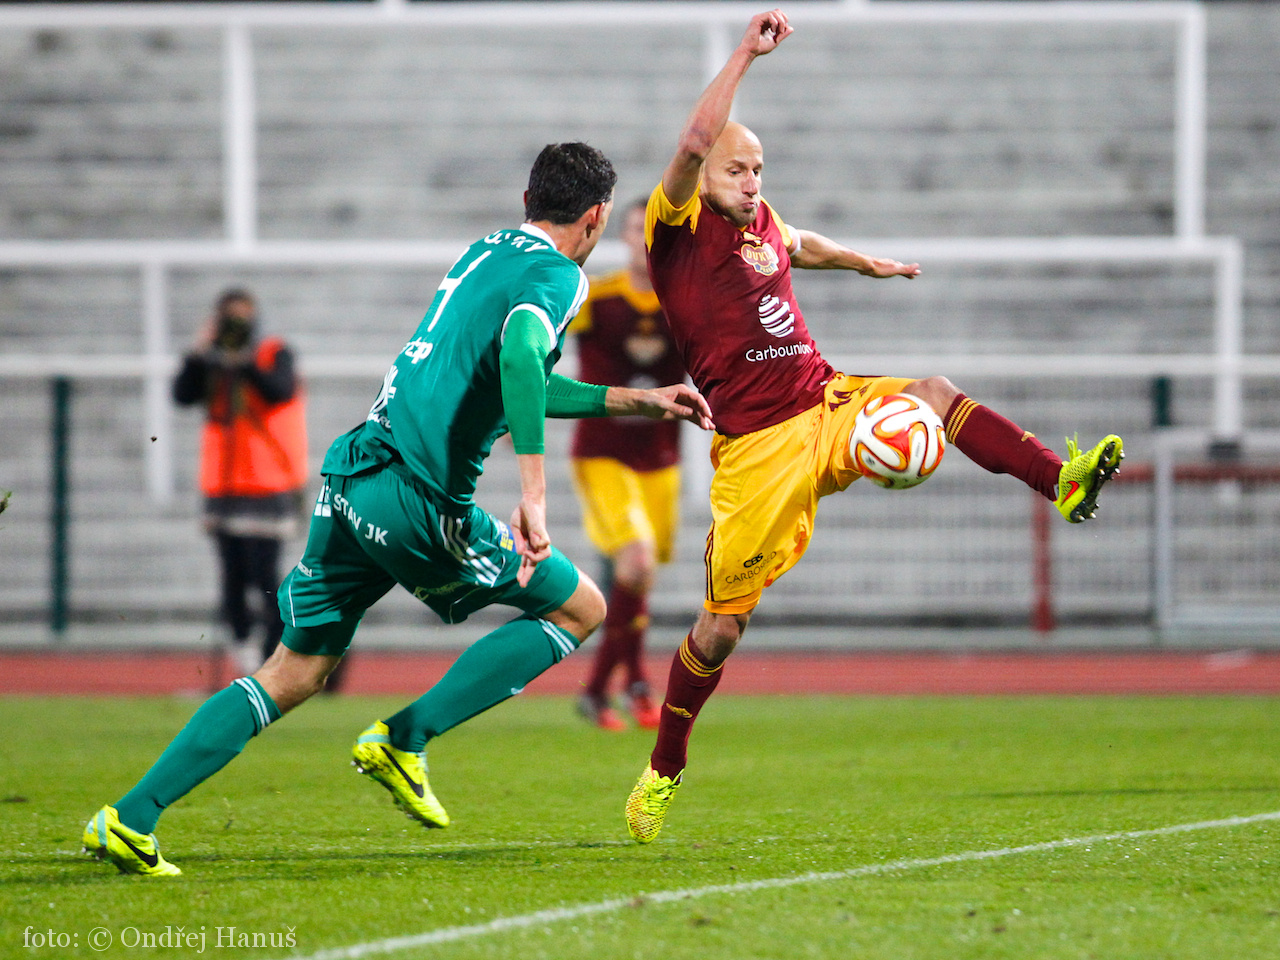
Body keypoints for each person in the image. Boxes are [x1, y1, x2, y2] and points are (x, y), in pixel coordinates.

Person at [83, 142, 714, 876]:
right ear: (598, 216)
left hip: (354, 472)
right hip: (420, 500)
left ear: (527, 201)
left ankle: (129, 817)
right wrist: (535, 494)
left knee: (293, 671)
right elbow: (519, 358)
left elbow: (517, 380)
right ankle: (404, 737)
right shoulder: (560, 275)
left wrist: (637, 399)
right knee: (580, 608)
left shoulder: (487, 250)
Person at [623, 9, 1125, 844]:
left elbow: (802, 243)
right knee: (721, 628)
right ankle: (665, 766)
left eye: (759, 169)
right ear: (703, 172)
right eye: (737, 168)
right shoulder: (673, 228)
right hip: (757, 452)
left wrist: (867, 263)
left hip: (823, 400)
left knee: (936, 392)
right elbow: (693, 138)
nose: (751, 180)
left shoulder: (760, 220)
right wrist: (745, 55)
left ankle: (1060, 481)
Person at [569, 198, 687, 731]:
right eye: (637, 229)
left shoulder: (684, 302)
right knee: (636, 565)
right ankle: (634, 683)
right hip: (604, 453)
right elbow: (540, 349)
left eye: (654, 230)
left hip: (661, 458)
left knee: (638, 580)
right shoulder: (596, 296)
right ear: (621, 236)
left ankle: (603, 692)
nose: (644, 240)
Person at [172, 289, 308, 677]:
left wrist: (243, 362)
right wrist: (198, 353)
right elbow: (182, 394)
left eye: (242, 318)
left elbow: (279, 390)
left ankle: (275, 655)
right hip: (224, 486)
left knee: (265, 576)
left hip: (267, 483)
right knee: (231, 577)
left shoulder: (273, 353)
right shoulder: (210, 359)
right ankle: (245, 651)